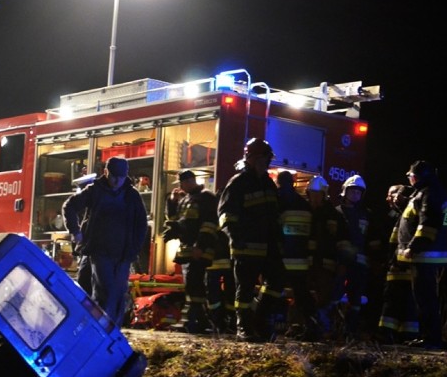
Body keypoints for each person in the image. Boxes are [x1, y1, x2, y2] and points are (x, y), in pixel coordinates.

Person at [62, 157, 149, 326]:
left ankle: (112, 330)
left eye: (121, 177)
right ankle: (101, 329)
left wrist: (134, 250)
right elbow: (70, 206)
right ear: (106, 172)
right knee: (105, 290)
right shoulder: (95, 190)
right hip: (99, 250)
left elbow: (141, 225)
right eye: (114, 176)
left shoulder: (132, 195)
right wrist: (75, 231)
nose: (117, 181)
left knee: (118, 292)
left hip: (123, 253)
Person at [217, 138, 286, 342]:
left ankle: (260, 320)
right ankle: (244, 327)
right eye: (265, 158)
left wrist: (279, 240)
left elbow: (276, 215)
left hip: (269, 247)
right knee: (245, 289)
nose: (268, 162)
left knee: (277, 281)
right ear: (253, 158)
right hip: (246, 247)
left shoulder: (268, 184)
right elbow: (225, 214)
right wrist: (235, 238)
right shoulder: (238, 183)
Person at [396, 160, 447, 350]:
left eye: (411, 176)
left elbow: (427, 225)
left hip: (425, 255)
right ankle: (427, 336)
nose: (410, 179)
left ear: (417, 177)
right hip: (426, 255)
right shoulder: (428, 192)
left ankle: (430, 338)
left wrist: (414, 246)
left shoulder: (429, 193)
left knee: (425, 298)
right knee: (423, 298)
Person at [162, 169, 219, 333]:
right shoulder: (186, 199)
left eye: (181, 183)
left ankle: (192, 319)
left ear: (189, 181)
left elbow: (209, 224)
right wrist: (171, 202)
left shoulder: (206, 198)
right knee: (191, 284)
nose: (180, 187)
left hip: (199, 250)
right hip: (187, 250)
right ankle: (200, 320)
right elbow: (176, 221)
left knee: (195, 283)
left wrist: (200, 246)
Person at [276, 170, 320, 341]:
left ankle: (269, 324)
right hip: (301, 261)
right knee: (301, 294)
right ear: (294, 183)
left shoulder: (278, 201)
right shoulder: (304, 204)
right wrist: (310, 258)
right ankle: (311, 325)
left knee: (272, 291)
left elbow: (275, 231)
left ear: (279, 183)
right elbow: (312, 236)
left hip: (282, 258)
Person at [376, 184, 420, 344]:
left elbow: (396, 243)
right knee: (403, 302)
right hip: (403, 266)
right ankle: (403, 335)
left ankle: (389, 334)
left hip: (400, 266)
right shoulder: (403, 215)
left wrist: (392, 261)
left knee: (395, 301)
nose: (394, 199)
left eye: (396, 196)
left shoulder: (405, 216)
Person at [305, 175, 347, 339]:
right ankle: (308, 328)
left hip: (326, 265)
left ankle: (322, 329)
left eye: (318, 194)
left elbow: (343, 240)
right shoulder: (304, 210)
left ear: (324, 194)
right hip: (306, 263)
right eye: (312, 193)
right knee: (306, 296)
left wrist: (342, 263)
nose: (314, 197)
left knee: (324, 298)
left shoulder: (334, 215)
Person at [335, 175, 372, 338]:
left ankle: (350, 330)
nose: (355, 194)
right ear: (345, 192)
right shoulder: (337, 212)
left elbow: (370, 238)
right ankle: (331, 327)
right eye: (353, 191)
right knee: (335, 294)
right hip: (340, 262)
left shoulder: (365, 214)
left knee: (355, 298)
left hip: (360, 264)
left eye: (358, 192)